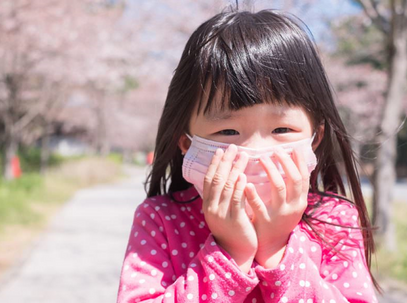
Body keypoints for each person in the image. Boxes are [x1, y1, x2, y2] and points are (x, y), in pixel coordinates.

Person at [117, 8, 380, 303]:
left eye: (282, 128)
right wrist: (231, 253)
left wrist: (275, 249)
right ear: (185, 142)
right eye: (227, 132)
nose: (256, 151)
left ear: (315, 137)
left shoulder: (333, 220)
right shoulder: (161, 221)